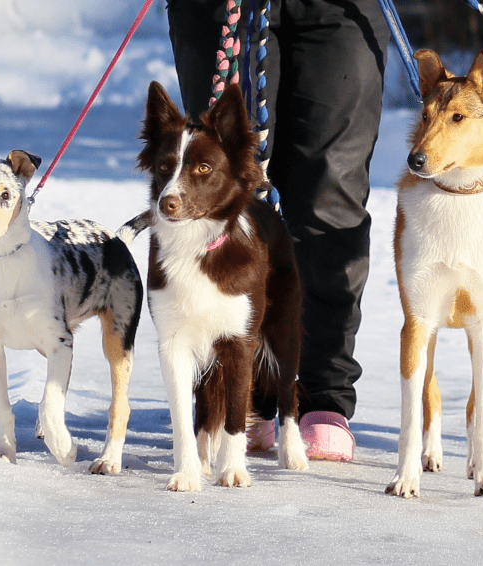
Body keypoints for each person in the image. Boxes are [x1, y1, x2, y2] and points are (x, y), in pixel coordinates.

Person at [166, 0, 389, 461]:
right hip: (220, 7)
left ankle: (322, 396)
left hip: (342, 10)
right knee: (229, 189)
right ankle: (236, 395)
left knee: (333, 194)